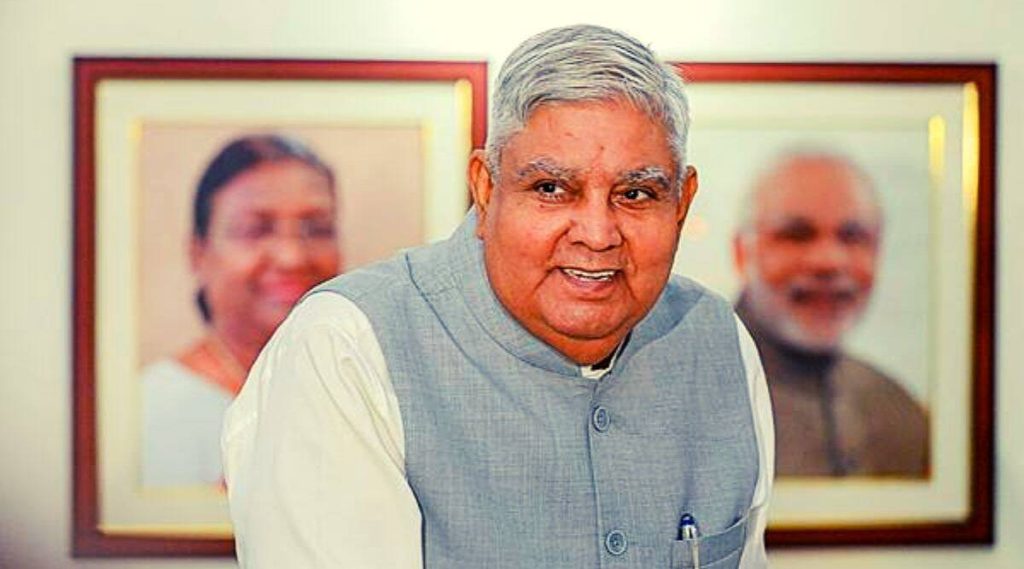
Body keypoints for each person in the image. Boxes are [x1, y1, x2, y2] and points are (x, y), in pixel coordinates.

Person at [224, 25, 773, 568]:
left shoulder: (716, 339)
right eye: (552, 189)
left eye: (635, 194)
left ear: (682, 203)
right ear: (486, 190)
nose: (597, 234)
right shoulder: (347, 347)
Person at [141, 134, 342, 486]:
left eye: (318, 229)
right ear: (198, 254)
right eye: (256, 230)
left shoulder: (357, 397)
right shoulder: (147, 412)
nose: (292, 257)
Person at [732, 150, 929, 477]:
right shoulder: (682, 396)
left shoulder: (900, 416)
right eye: (796, 235)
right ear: (741, 252)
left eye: (853, 236)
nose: (829, 261)